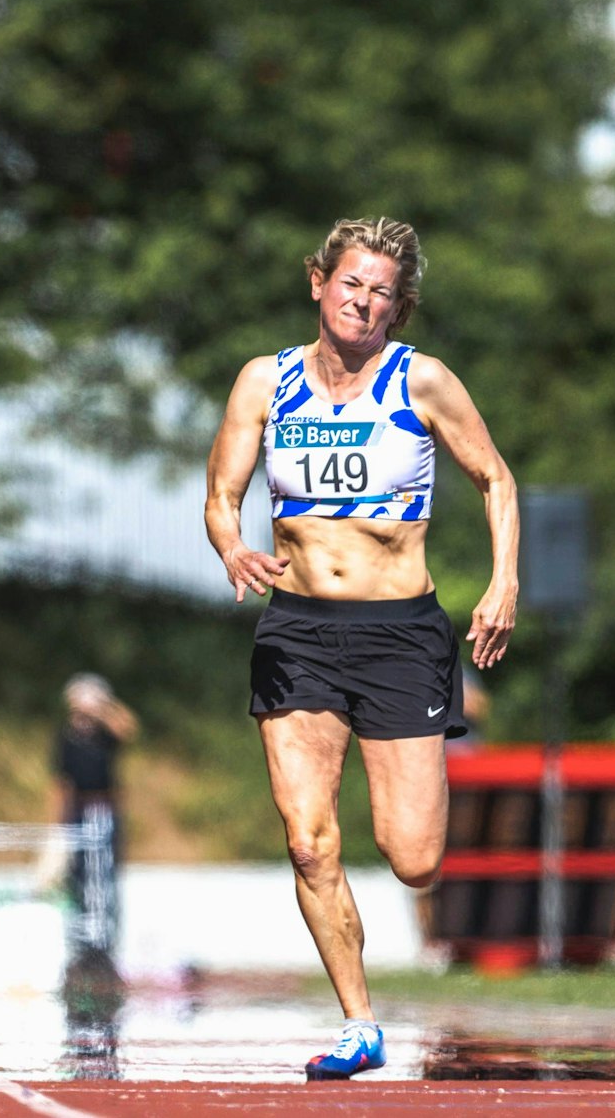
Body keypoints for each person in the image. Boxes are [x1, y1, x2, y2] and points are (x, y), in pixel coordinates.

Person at [204, 217, 518, 1080]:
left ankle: (405, 894)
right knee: (309, 840)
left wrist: (504, 582)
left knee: (413, 858)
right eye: (351, 284)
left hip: (400, 631)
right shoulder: (265, 383)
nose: (363, 302)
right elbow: (221, 495)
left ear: (399, 306)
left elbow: (495, 477)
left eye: (381, 292)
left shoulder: (423, 383)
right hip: (298, 629)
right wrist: (231, 545)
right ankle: (358, 1021)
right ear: (319, 283)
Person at [51, 673, 135, 950]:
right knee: (78, 873)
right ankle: (82, 938)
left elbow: (128, 728)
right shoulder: (66, 735)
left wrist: (103, 706)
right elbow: (60, 781)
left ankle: (106, 938)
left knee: (105, 873)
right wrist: (57, 820)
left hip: (104, 809)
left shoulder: (105, 732)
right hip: (77, 808)